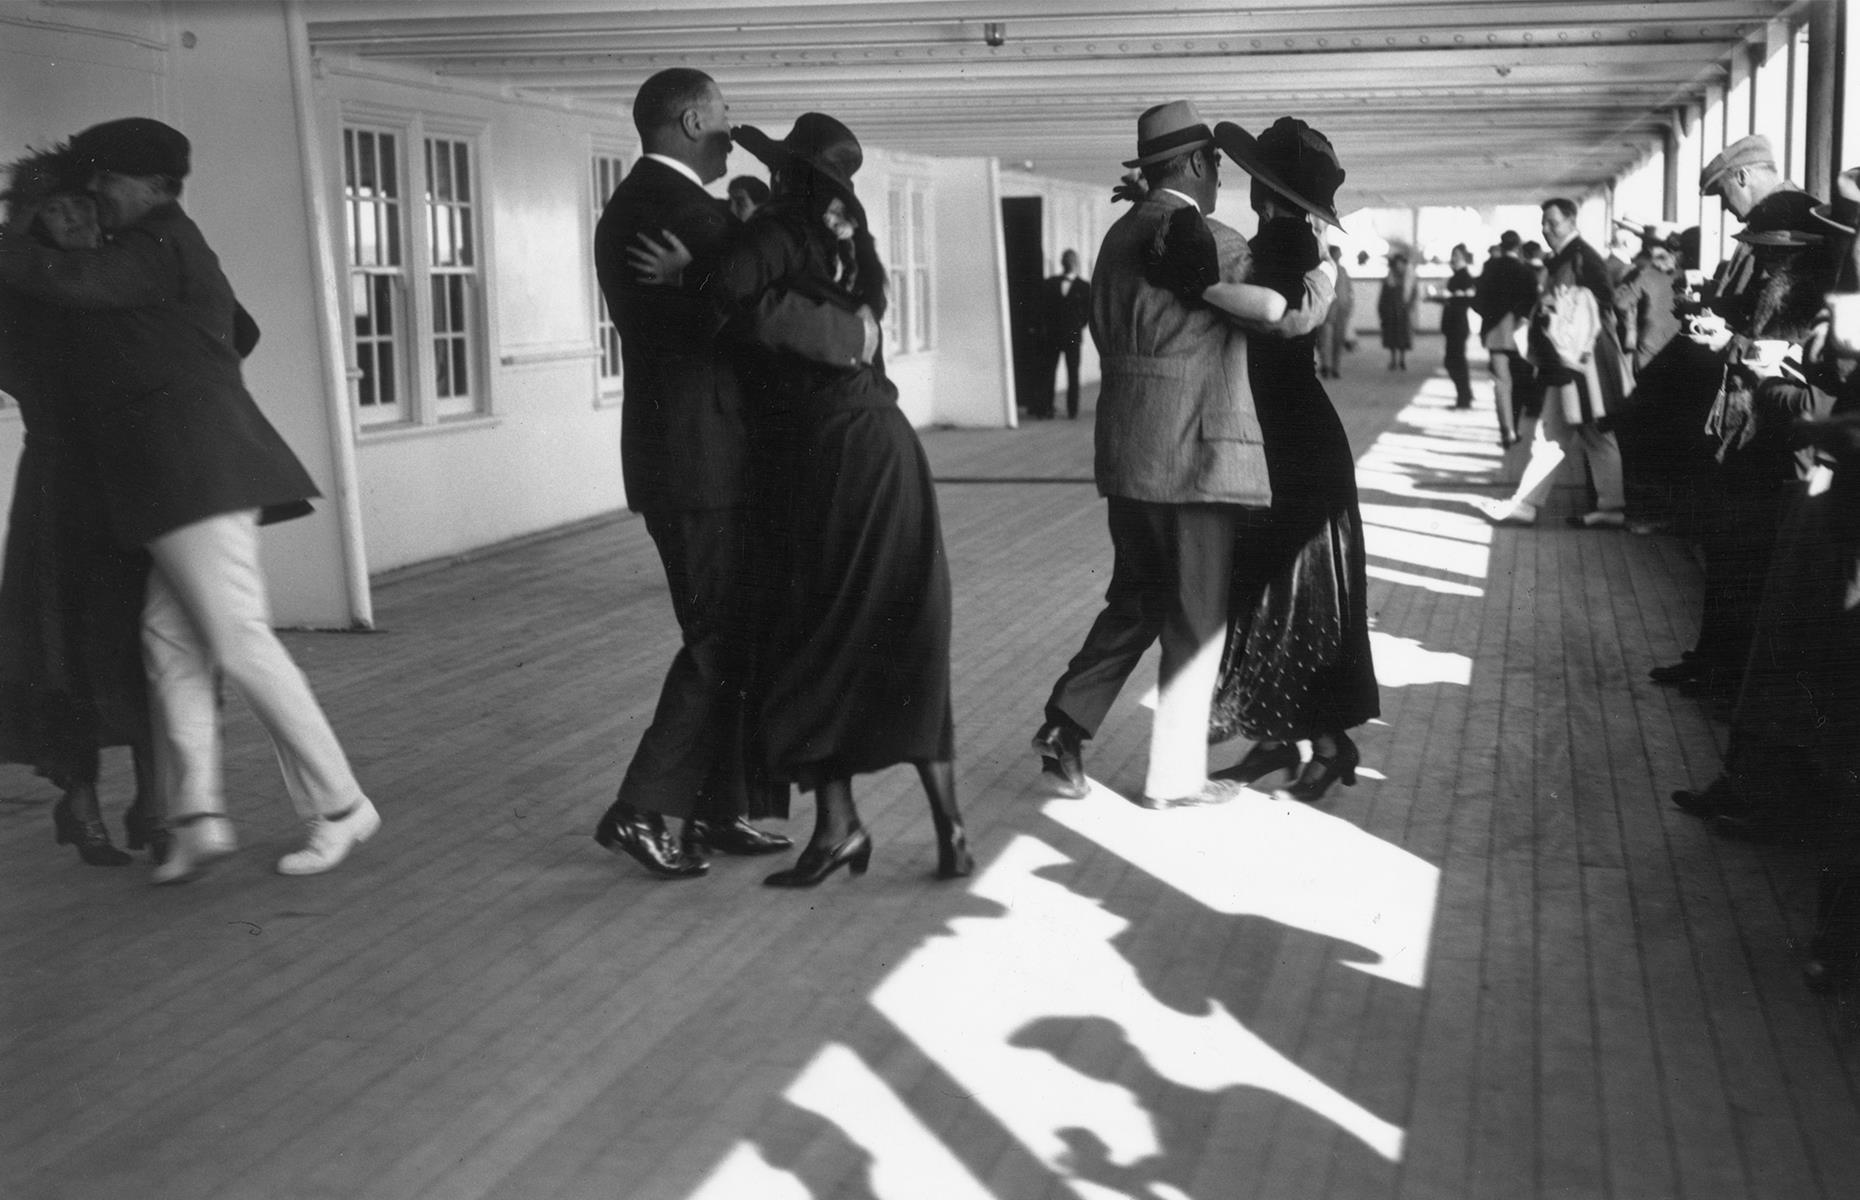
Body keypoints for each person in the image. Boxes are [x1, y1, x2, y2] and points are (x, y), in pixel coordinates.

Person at [0, 117, 378, 884]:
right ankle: (198, 817)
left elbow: (64, 282)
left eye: (108, 182)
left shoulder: (157, 242)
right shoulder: (141, 249)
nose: (98, 194)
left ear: (155, 188)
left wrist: (18, 238)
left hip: (193, 474)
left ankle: (340, 807)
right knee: (168, 644)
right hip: (179, 475)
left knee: (239, 641)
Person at [630, 112, 969, 886]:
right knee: (907, 628)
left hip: (832, 452)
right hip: (890, 444)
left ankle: (838, 831)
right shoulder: (853, 237)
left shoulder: (780, 227)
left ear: (784, 177)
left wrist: (693, 273)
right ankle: (949, 829)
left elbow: (726, 297)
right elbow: (862, 328)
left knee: (817, 636)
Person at [590, 70, 872, 879]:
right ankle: (644, 810)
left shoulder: (653, 205)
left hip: (692, 453)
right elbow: (772, 310)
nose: (731, 134)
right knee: (722, 636)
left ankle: (715, 809)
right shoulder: (682, 212)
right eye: (722, 119)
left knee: (737, 634)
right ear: (688, 119)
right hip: (702, 459)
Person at [1030, 100, 1330, 811]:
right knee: (1195, 617)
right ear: (1195, 165)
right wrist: (1324, 277)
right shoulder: (1214, 240)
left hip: (1128, 447)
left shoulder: (1115, 237)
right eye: (1217, 164)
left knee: (1135, 597)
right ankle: (1172, 780)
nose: (1222, 177)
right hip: (1195, 454)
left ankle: (1066, 726)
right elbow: (1284, 314)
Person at [1189, 117, 1379, 804]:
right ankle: (1281, 738)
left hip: (1287, 437)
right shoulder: (1291, 241)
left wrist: (1193, 280)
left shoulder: (1283, 244)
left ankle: (1325, 744)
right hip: (1296, 430)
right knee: (1290, 587)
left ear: (1263, 189)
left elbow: (1272, 313)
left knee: (1289, 588)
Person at [0, 145, 160, 867]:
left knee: (150, 644)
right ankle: (82, 800)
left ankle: (156, 801)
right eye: (52, 209)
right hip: (60, 490)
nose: (68, 218)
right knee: (63, 650)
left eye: (80, 203)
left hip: (141, 482)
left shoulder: (139, 268)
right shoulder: (22, 296)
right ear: (28, 222)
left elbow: (231, 331)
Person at [1480, 198, 1629, 529]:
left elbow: (1605, 299)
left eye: (1553, 222)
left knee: (1569, 434)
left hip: (1576, 362)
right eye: (1544, 223)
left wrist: (1559, 308)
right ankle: (1609, 506)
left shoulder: (1580, 257)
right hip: (1575, 363)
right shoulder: (1569, 257)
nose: (1546, 228)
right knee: (1586, 434)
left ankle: (1531, 504)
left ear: (1572, 221)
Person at [1473, 230, 1540, 448]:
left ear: (1501, 246)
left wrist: (1489, 318)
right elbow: (1533, 302)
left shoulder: (1490, 268)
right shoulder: (1526, 270)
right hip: (1520, 334)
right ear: (1518, 247)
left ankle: (1507, 431)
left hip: (1495, 334)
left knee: (1502, 383)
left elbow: (1477, 300)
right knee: (1520, 382)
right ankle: (1517, 425)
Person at [1042, 249, 1092, 418]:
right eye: (1067, 259)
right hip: (1054, 335)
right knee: (1050, 372)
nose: (1069, 263)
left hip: (1071, 335)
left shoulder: (1084, 287)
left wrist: (1079, 325)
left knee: (1071, 373)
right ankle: (1048, 407)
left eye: (1070, 260)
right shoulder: (1050, 283)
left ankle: (1072, 409)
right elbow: (1043, 309)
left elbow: (1087, 312)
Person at [1431, 243, 1477, 407]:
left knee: (1454, 361)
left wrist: (1449, 296)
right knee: (1456, 361)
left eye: (1456, 255)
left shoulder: (1463, 276)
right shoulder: (1458, 274)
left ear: (1463, 257)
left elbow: (1467, 297)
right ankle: (1465, 395)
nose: (1453, 258)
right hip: (1454, 324)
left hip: (1457, 324)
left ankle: (1463, 398)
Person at [1316, 243, 1354, 379]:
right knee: (1325, 340)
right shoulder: (1324, 269)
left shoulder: (1343, 270)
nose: (1339, 256)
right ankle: (1326, 366)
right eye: (1337, 253)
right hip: (1327, 311)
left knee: (1338, 340)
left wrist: (1349, 306)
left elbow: (1349, 291)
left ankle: (1335, 367)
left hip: (1341, 310)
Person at [1377, 251, 1416, 370]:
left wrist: (1409, 306)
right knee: (1392, 337)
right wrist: (1382, 310)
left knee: (1403, 337)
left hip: (1403, 312)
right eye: (1397, 264)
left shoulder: (1409, 279)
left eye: (1401, 264)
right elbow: (1383, 296)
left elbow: (1413, 295)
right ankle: (1393, 360)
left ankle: (1402, 360)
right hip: (1391, 312)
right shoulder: (1389, 279)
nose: (1399, 266)